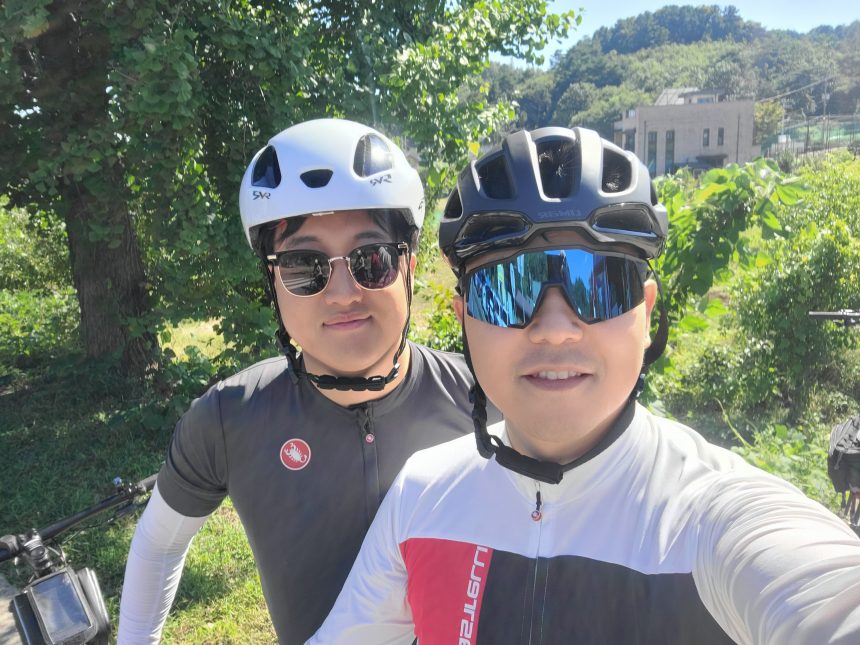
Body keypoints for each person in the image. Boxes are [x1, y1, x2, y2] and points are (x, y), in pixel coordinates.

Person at [309, 126, 860, 645]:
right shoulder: (423, 496)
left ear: (646, 313)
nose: (555, 329)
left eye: (599, 284)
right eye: (508, 287)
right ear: (464, 321)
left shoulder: (710, 518)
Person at [117, 118, 497, 644]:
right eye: (303, 266)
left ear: (409, 267)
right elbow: (158, 545)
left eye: (372, 260)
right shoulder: (230, 418)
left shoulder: (486, 398)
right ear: (272, 282)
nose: (343, 293)